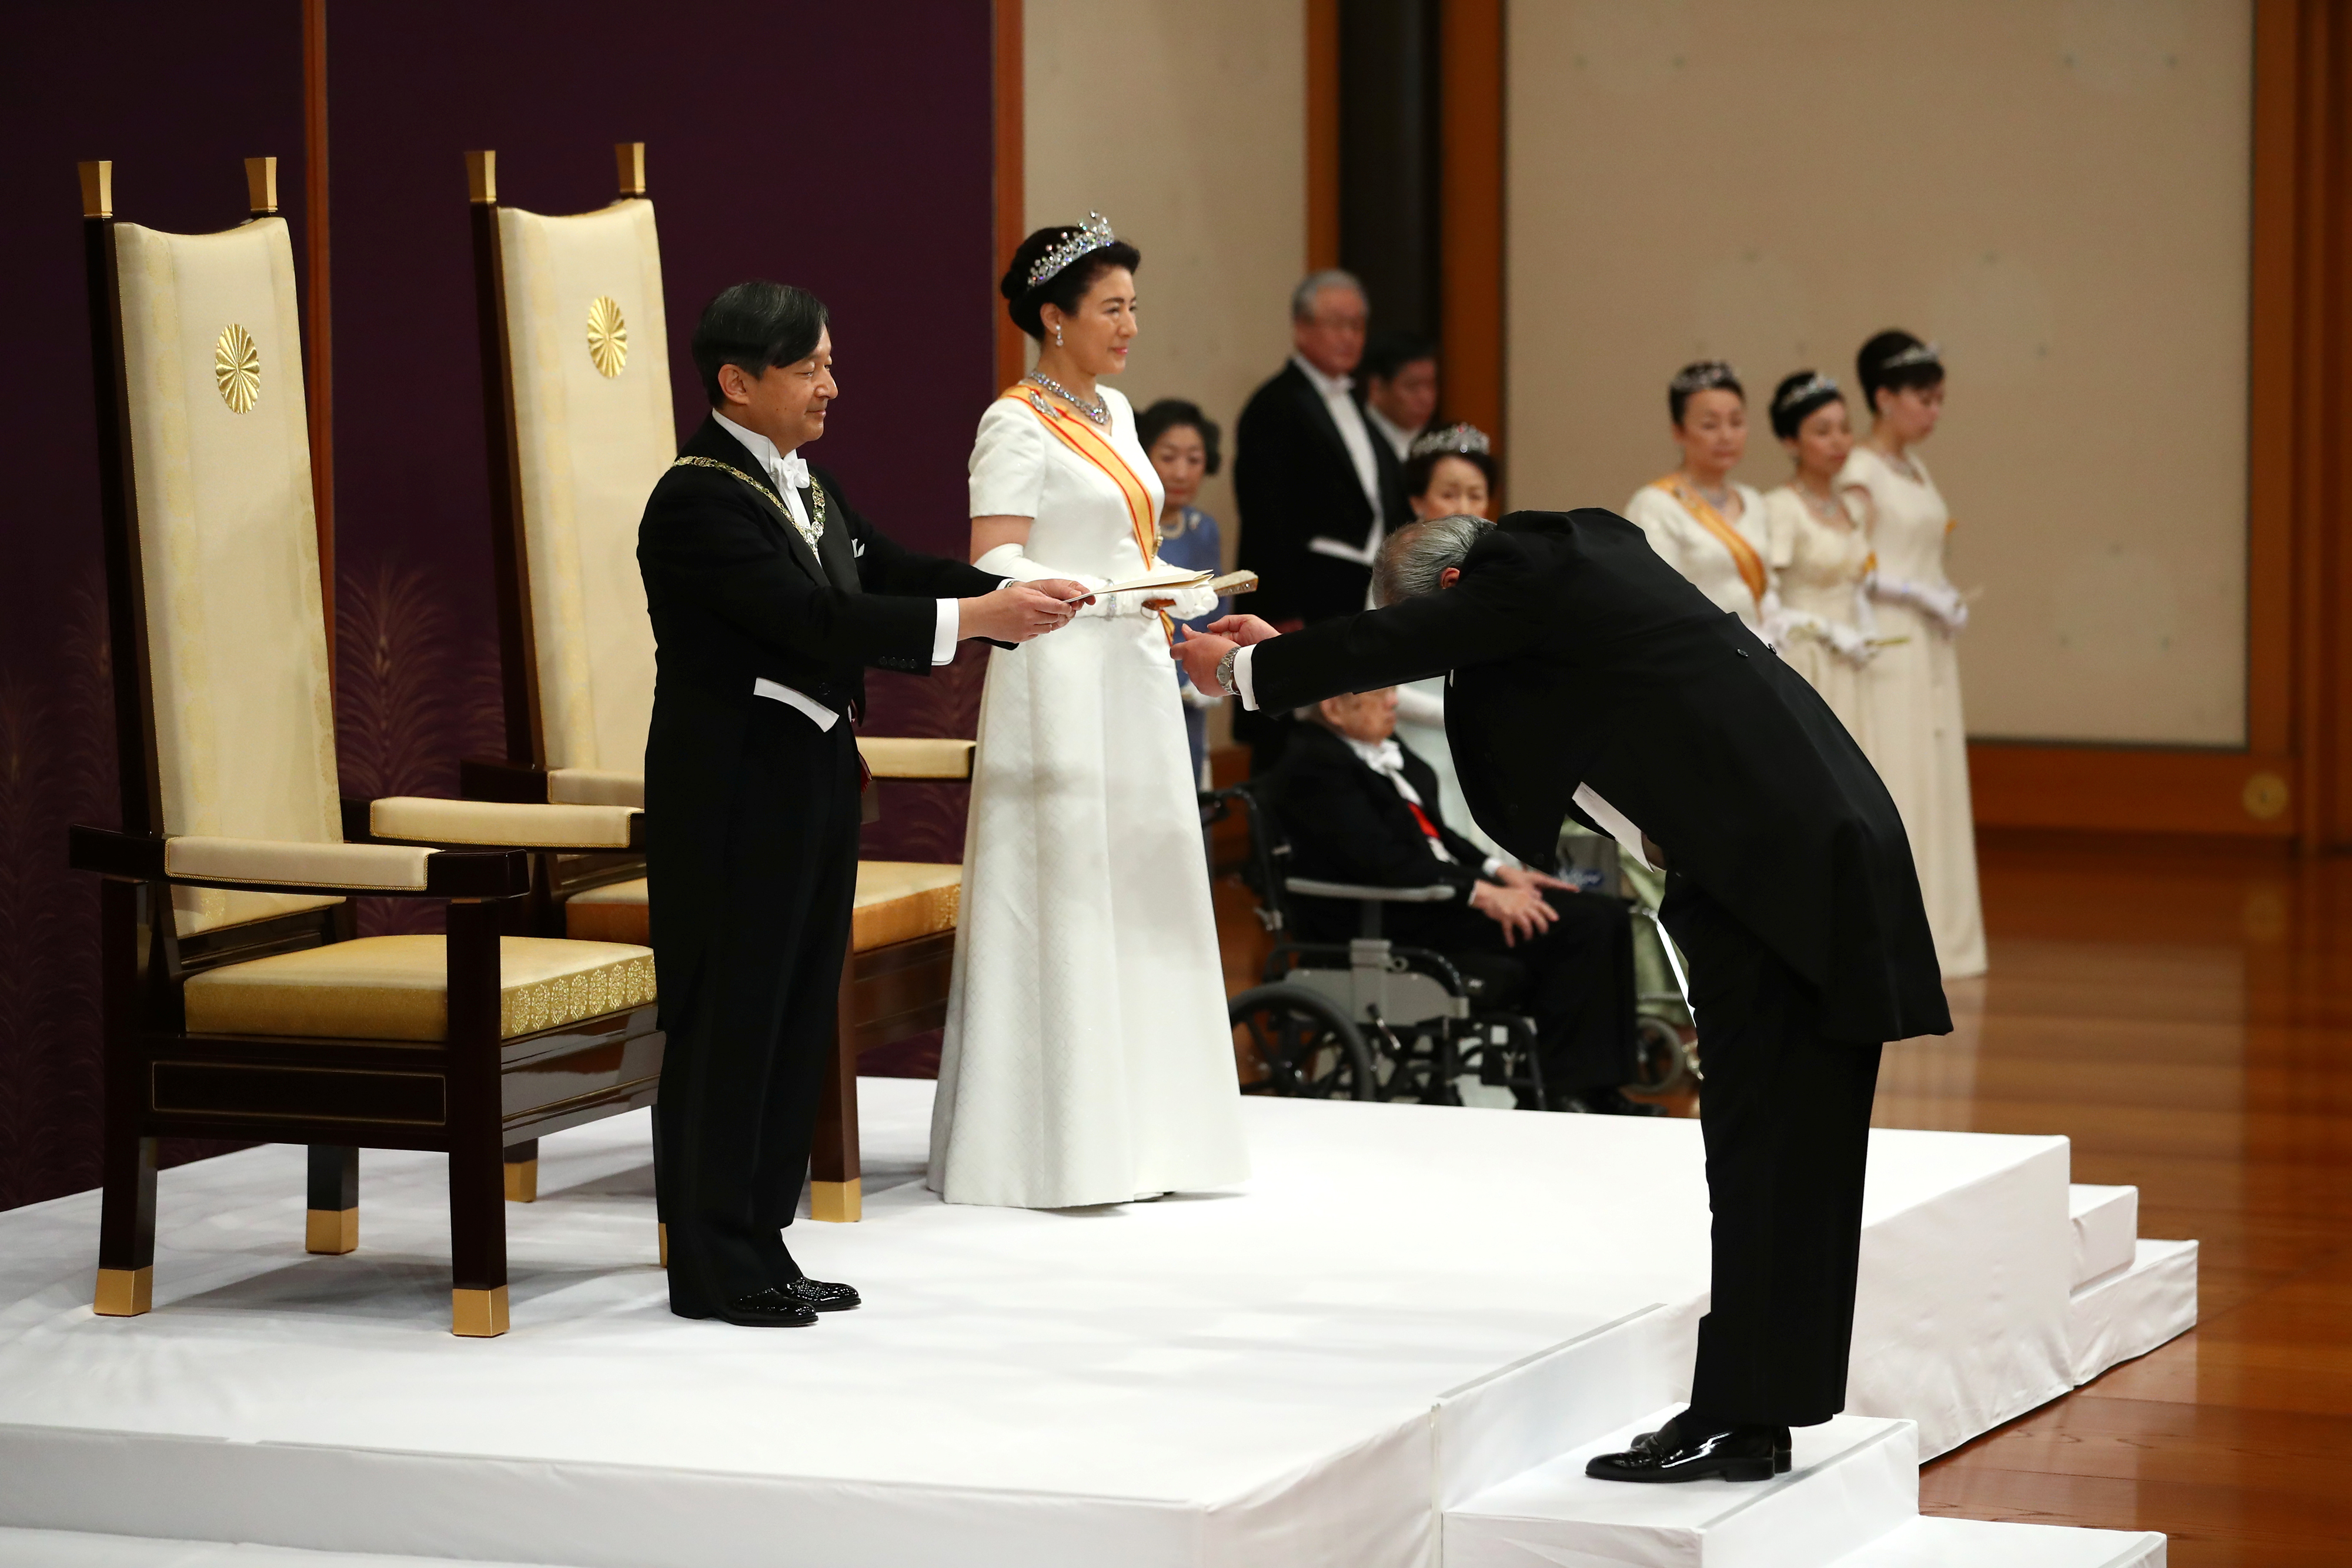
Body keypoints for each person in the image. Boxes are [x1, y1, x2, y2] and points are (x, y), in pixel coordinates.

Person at [1171, 511, 1948, 1483]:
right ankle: (1759, 1409)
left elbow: (1413, 641)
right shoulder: (1576, 567)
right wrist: (1285, 653)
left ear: (1452, 593)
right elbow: (1420, 649)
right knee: (1797, 1153)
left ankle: (1740, 1415)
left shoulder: (1525, 566)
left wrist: (1242, 672)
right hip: (1810, 852)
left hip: (1778, 878)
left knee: (1765, 1151)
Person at [638, 282, 1087, 1326]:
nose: (831, 386)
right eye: (808, 368)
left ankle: (762, 1239)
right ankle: (710, 1260)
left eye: (830, 363)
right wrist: (979, 616)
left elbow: (888, 569)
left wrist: (1012, 597)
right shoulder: (696, 499)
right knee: (731, 1015)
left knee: (796, 1013)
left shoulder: (808, 483)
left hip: (813, 774)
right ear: (735, 381)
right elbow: (810, 616)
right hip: (732, 788)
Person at [930, 216, 1251, 1209]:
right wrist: (1103, 593)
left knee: (1143, 880)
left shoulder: (1114, 408)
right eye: (1112, 308)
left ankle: (1157, 1135)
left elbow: (1131, 548)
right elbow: (993, 558)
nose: (1130, 326)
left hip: (1133, 671)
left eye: (1134, 307)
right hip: (1061, 672)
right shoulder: (1015, 422)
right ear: (1054, 318)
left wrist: (1188, 593)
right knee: (1067, 884)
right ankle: (1056, 1148)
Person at [1262, 684, 1652, 1114]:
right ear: (1334, 708)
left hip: (1435, 895)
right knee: (1580, 926)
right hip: (1392, 915)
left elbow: (1438, 838)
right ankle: (1565, 1089)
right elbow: (1380, 863)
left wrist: (1500, 872)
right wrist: (1481, 893)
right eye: (1381, 693)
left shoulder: (1381, 751)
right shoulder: (1315, 768)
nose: (1395, 701)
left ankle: (1601, 1088)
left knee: (1609, 913)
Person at [1840, 332, 1986, 980]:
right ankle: (1895, 938)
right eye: (1923, 399)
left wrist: (1942, 593)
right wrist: (1915, 593)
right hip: (1888, 640)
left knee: (1933, 780)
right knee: (1898, 777)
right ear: (1883, 398)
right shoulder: (1860, 471)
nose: (1934, 411)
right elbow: (1846, 562)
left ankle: (1942, 936)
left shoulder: (1914, 469)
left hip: (1927, 641)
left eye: (1939, 399)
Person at [1232, 269, 1409, 628]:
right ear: (1301, 327)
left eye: (1357, 326)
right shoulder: (1275, 404)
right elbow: (1266, 517)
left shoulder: (1358, 404)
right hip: (1305, 595)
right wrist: (1282, 611)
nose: (1349, 336)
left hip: (1362, 592)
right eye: (1337, 324)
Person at [1389, 423, 1502, 858]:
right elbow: (1379, 679)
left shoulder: (1504, 565)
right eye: (1449, 494)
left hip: (1488, 739)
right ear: (1418, 500)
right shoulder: (1396, 571)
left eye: (1476, 495)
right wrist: (1457, 715)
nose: (1465, 508)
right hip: (1422, 737)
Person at [1759, 372, 1877, 742]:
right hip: (1804, 655)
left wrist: (1866, 625)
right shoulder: (1781, 507)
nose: (1838, 441)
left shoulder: (1854, 508)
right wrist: (1825, 630)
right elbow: (1767, 597)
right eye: (1823, 431)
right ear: (1791, 441)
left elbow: (1859, 582)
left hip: (1852, 660)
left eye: (1845, 428)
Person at [1623, 362, 1779, 638]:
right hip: (1696, 646)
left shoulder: (1753, 501)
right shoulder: (1655, 505)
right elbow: (1656, 597)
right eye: (1710, 425)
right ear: (1679, 432)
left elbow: (1768, 588)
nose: (1726, 436)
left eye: (1736, 423)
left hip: (1759, 646)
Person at [1139, 397, 1231, 787]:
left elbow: (1218, 606)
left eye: (1194, 460)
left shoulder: (1203, 528)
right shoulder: (1128, 531)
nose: (1181, 472)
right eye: (1168, 457)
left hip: (1194, 685)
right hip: (1140, 684)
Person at [1360, 329, 1439, 462]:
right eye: (1412, 386)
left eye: (1431, 384)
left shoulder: (1437, 444)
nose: (1426, 398)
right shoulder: (1359, 440)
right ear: (1377, 388)